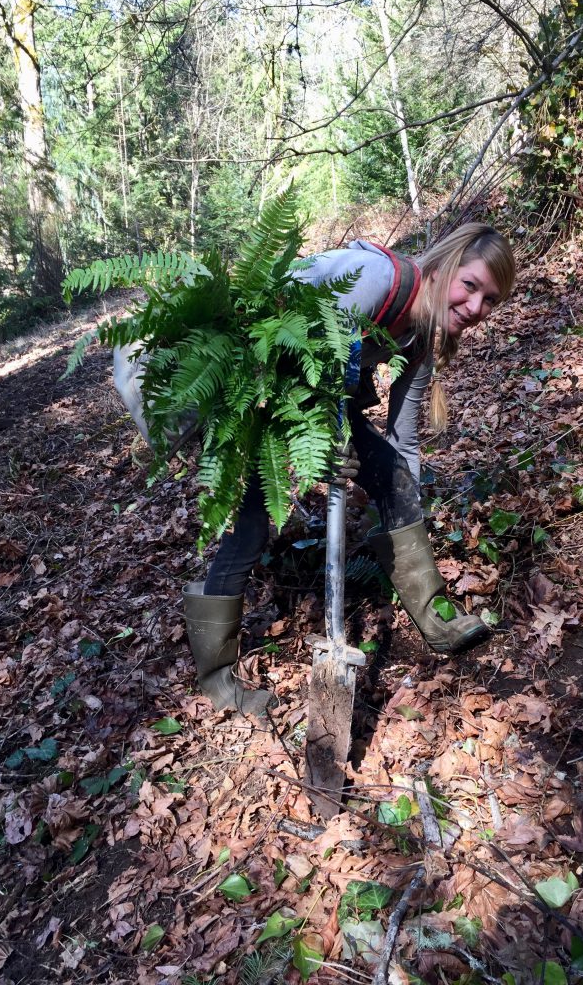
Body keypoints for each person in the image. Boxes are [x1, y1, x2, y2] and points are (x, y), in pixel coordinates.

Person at [177, 223, 516, 716]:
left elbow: (404, 438)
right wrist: (327, 440)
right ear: (444, 268)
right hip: (254, 389)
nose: (476, 307)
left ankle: (434, 617)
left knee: (392, 474)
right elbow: (296, 347)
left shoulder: (420, 338)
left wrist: (402, 493)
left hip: (319, 404)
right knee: (250, 527)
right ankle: (216, 680)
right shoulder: (375, 281)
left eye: (490, 300)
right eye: (471, 285)